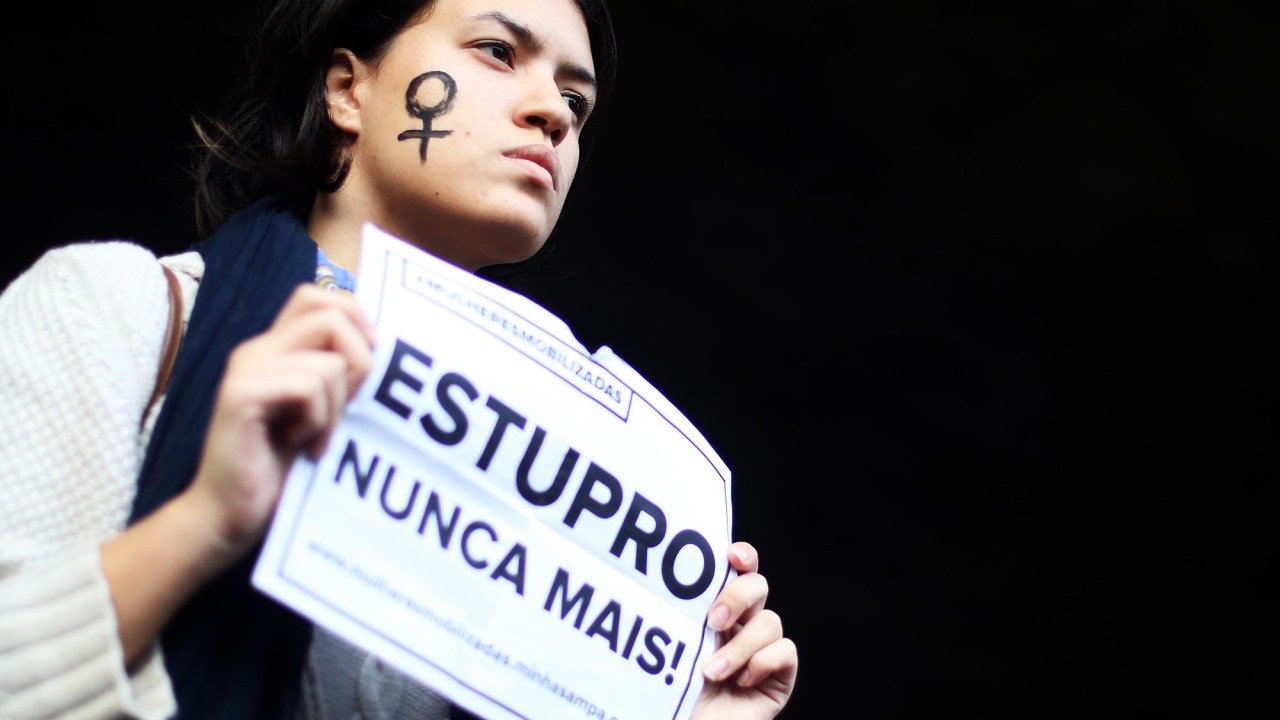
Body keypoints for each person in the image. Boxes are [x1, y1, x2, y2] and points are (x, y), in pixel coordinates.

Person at [0, 0, 798, 718]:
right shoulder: (116, 307)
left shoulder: (575, 469)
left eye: (577, 101)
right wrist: (207, 520)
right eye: (496, 50)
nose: (554, 111)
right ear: (347, 89)